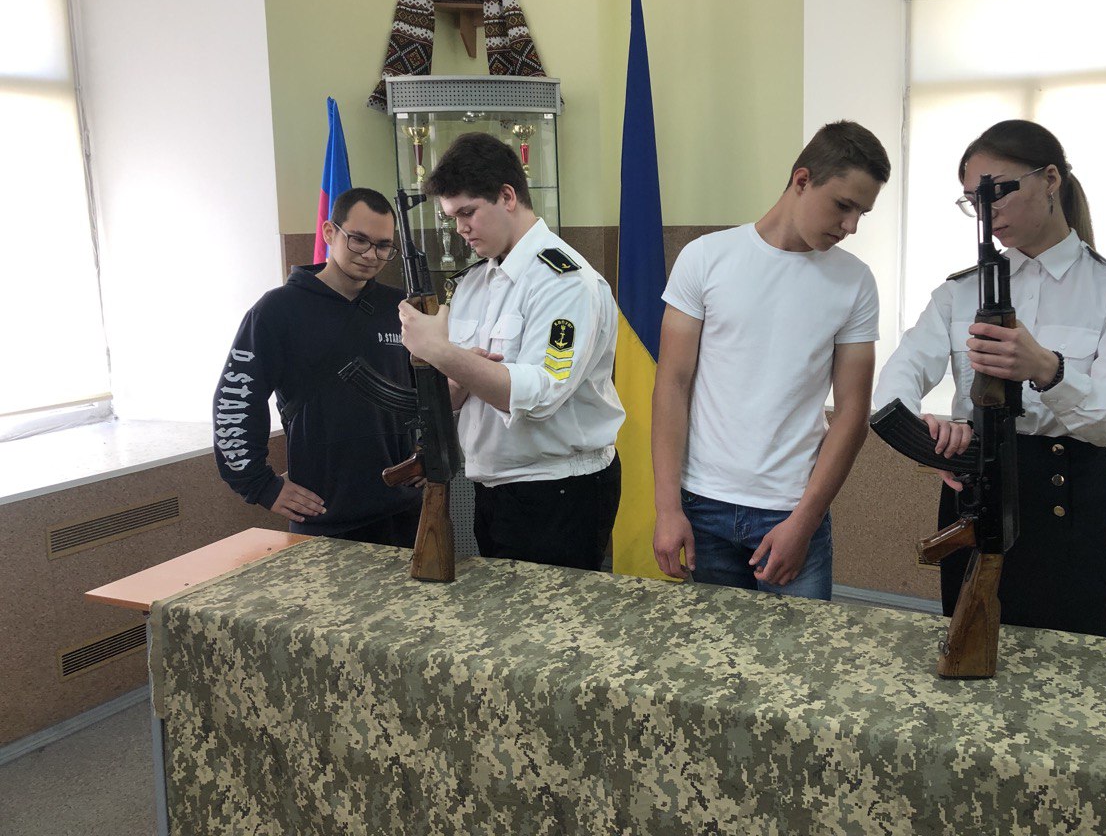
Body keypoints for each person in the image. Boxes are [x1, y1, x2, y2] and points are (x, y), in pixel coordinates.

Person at [873, 119, 1106, 637]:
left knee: (1070, 662)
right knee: (967, 649)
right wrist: (933, 439)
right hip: (974, 487)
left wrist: (1047, 370)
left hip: (1067, 497)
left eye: (998, 191)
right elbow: (897, 380)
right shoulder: (959, 293)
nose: (988, 211)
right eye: (973, 201)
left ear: (1050, 179)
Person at [651, 120, 888, 600]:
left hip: (792, 510)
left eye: (862, 213)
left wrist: (805, 520)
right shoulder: (705, 259)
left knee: (800, 649)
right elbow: (672, 384)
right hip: (704, 504)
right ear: (802, 180)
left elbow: (852, 415)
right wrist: (667, 508)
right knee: (715, 648)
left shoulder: (855, 282)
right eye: (843, 206)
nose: (851, 227)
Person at [398, 132, 625, 571]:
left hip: (558, 491)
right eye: (452, 217)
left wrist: (442, 352)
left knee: (553, 615)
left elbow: (540, 395)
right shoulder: (473, 283)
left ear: (507, 197)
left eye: (468, 212)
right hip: (493, 488)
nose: (460, 229)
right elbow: (454, 396)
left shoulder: (564, 282)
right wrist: (461, 370)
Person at [213, 187, 423, 546]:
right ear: (329, 232)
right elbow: (234, 401)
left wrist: (430, 451)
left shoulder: (401, 308)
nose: (370, 255)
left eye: (383, 246)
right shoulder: (277, 311)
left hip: (404, 512)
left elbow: (430, 392)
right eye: (358, 240)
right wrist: (260, 485)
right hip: (324, 517)